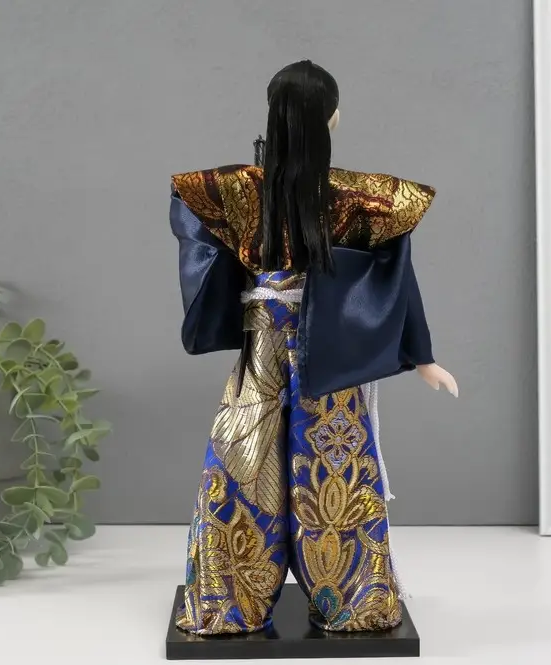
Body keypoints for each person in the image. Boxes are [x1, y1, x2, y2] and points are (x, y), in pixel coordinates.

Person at [169, 59, 458, 635]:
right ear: (333, 117)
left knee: (241, 469)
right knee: (336, 473)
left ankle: (230, 601)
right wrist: (420, 356)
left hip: (262, 350)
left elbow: (195, 227)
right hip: (325, 355)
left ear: (272, 114)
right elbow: (396, 272)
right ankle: (352, 597)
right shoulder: (354, 196)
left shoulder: (238, 189)